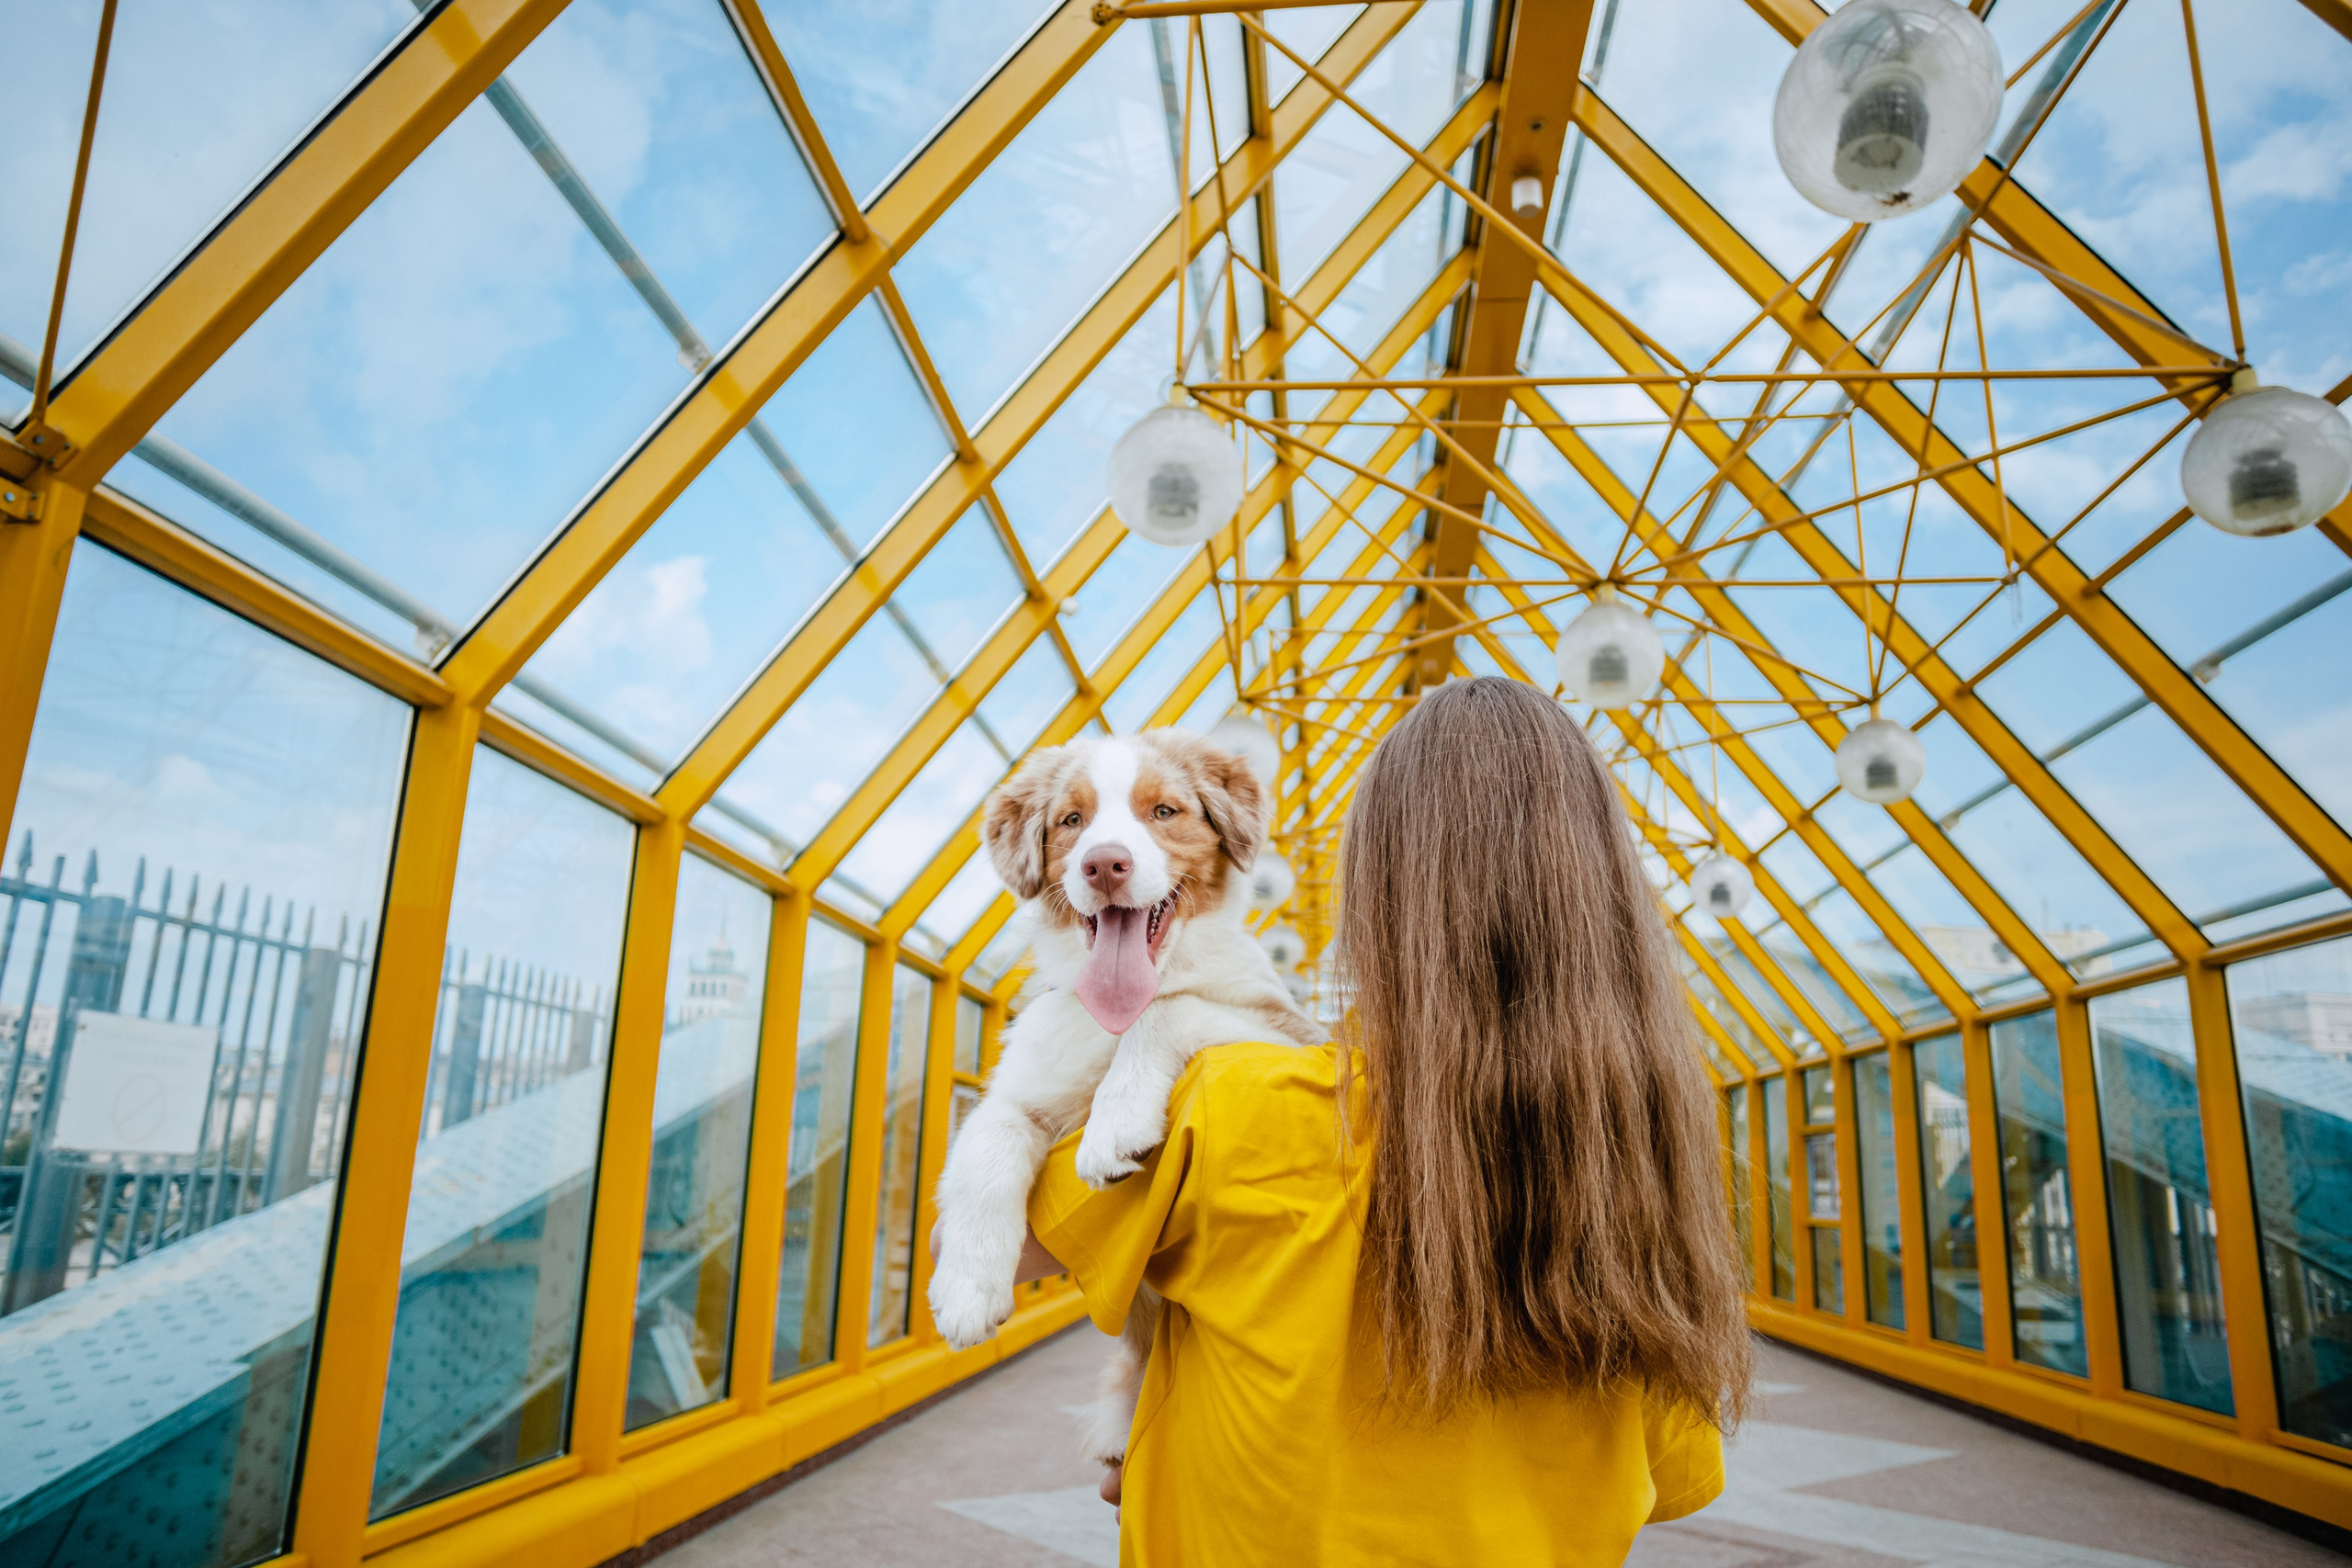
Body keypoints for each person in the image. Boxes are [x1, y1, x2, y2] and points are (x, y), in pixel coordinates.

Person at [1012, 676, 1752, 1566]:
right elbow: (1659, 1479)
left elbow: (991, 1251)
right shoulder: (1641, 1148)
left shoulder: (1239, 1099)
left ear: (1378, 892)